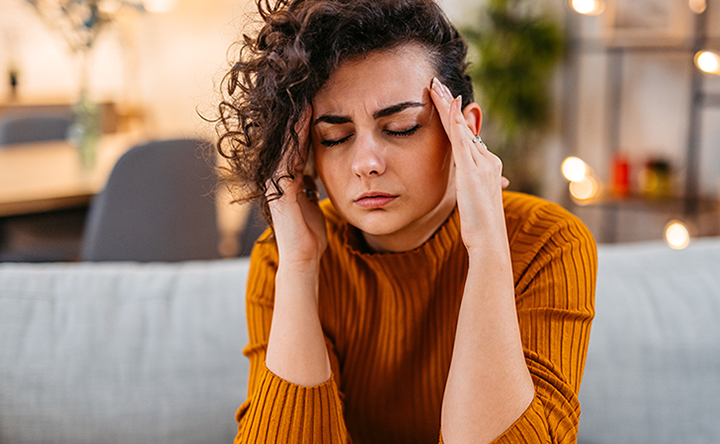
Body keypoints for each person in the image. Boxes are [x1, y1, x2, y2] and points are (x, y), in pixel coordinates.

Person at [215, 0, 597, 443]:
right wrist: (300, 266)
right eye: (334, 137)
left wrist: (488, 248)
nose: (366, 163)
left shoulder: (549, 242)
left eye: (400, 127)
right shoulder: (282, 258)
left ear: (466, 133)